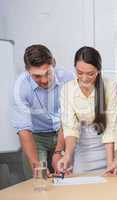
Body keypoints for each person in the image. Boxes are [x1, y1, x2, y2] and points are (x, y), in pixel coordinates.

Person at [11, 44, 74, 173]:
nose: (44, 80)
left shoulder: (68, 78)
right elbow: (24, 130)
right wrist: (36, 166)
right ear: (28, 71)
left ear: (53, 64)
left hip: (64, 131)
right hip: (36, 137)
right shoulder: (20, 87)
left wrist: (58, 151)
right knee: (40, 179)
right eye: (37, 76)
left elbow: (68, 118)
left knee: (66, 176)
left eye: (47, 73)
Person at [57, 46, 115, 174]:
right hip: (82, 146)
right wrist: (66, 157)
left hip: (106, 146)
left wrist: (110, 162)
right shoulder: (67, 90)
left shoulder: (110, 87)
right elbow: (70, 128)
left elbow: (110, 128)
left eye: (90, 74)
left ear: (98, 71)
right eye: (79, 73)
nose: (84, 78)